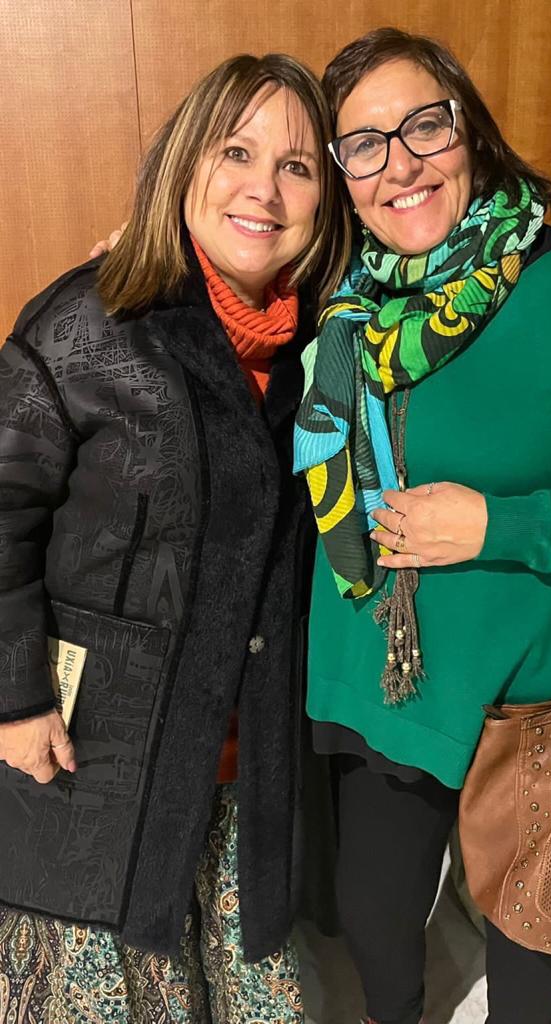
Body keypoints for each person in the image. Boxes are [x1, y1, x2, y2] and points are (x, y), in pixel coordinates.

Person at [0, 52, 349, 1023]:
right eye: (236, 151)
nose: (263, 188)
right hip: (95, 773)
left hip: (251, 780)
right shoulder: (90, 319)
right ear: (185, 163)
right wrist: (14, 698)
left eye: (297, 166)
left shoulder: (335, 342)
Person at [295, 27, 551, 1024]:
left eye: (425, 125)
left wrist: (497, 523)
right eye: (364, 145)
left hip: (528, 703)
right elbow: (216, 278)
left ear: (471, 130)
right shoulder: (338, 299)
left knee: (528, 947)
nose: (400, 164)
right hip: (382, 683)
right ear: (342, 175)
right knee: (374, 923)